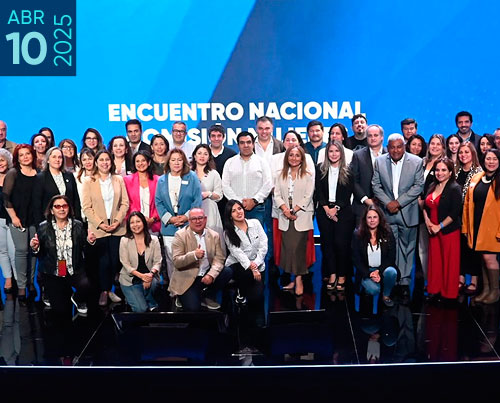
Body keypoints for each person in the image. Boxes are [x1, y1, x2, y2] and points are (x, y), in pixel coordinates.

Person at [372, 133, 424, 298]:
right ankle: (392, 279)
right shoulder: (380, 161)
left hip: (408, 212)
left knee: (407, 249)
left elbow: (418, 186)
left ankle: (405, 281)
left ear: (404, 146)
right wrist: (388, 203)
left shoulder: (416, 162)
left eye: (399, 147)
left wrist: (398, 202)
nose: (396, 150)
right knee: (390, 249)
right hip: (388, 213)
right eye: (392, 147)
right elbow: (376, 185)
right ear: (388, 148)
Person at [29, 195, 93, 315]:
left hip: (74, 268)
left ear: (69, 208)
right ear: (52, 210)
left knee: (86, 285)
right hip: (53, 270)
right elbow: (39, 255)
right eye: (57, 206)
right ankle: (47, 291)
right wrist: (35, 248)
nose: (61, 209)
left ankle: (78, 299)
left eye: (64, 206)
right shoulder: (43, 227)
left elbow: (85, 249)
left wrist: (90, 242)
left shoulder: (78, 225)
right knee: (61, 310)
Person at [82, 149, 130, 306]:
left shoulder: (118, 179)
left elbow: (125, 203)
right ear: (96, 162)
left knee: (115, 260)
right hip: (99, 228)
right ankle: (104, 291)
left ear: (112, 162)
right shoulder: (89, 181)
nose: (104, 163)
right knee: (104, 262)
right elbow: (86, 207)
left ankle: (110, 290)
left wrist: (117, 221)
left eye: (107, 160)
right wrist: (100, 224)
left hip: (117, 226)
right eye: (101, 160)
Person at [170, 207, 230, 311]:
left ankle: (207, 295)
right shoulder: (180, 235)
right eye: (194, 219)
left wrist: (211, 275)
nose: (198, 221)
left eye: (200, 218)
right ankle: (181, 297)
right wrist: (193, 255)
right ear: (189, 221)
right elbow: (177, 262)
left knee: (227, 271)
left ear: (205, 219)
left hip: (206, 274)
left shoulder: (214, 235)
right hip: (187, 277)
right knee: (193, 308)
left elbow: (219, 259)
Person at [155, 149, 202, 280]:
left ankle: (190, 287)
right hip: (169, 227)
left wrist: (187, 216)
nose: (176, 163)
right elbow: (158, 202)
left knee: (190, 258)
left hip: (188, 225)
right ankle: (174, 288)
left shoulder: (192, 177)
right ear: (168, 162)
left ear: (184, 162)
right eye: (173, 160)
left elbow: (197, 200)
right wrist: (170, 219)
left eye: (179, 160)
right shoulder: (162, 180)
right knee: (171, 260)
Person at [274, 145, 314, 296]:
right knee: (288, 250)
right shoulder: (280, 174)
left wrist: (294, 210)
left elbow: (308, 196)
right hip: (285, 217)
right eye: (291, 155)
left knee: (298, 249)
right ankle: (293, 278)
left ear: (302, 158)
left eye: (297, 155)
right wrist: (285, 210)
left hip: (301, 216)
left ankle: (299, 279)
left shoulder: (308, 175)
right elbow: (277, 194)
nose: (294, 158)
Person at [315, 140, 354, 291]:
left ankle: (342, 275)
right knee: (327, 244)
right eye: (331, 151)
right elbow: (318, 191)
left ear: (341, 153)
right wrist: (327, 209)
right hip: (324, 210)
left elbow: (347, 193)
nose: (334, 154)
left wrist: (335, 208)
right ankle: (332, 274)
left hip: (343, 212)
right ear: (327, 153)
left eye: (337, 151)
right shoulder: (320, 169)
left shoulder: (348, 170)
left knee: (341, 244)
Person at [462, 149, 500, 304]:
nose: (491, 162)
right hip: (477, 225)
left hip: (494, 228)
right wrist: (466, 227)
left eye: (495, 159)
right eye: (488, 158)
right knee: (482, 258)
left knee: (489, 258)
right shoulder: (477, 177)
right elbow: (467, 204)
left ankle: (495, 291)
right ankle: (486, 290)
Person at [3, 144, 38, 303]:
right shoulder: (13, 173)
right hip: (18, 218)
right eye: (21, 155)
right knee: (22, 251)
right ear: (17, 158)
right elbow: (6, 198)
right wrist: (14, 217)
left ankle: (31, 282)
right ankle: (22, 286)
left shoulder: (39, 173)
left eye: (27, 154)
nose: (25, 157)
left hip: (35, 218)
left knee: (34, 251)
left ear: (32, 155)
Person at [423, 158, 462, 299]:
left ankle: (448, 293)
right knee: (435, 261)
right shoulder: (432, 185)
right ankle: (434, 289)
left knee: (449, 262)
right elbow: (425, 206)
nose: (439, 173)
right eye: (437, 170)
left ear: (450, 172)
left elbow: (455, 212)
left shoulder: (455, 188)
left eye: (444, 170)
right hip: (432, 229)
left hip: (448, 230)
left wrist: (439, 227)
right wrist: (428, 222)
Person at [352, 205, 399, 307]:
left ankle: (386, 295)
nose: (372, 220)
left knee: (391, 272)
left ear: (379, 218)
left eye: (375, 217)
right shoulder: (358, 234)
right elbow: (356, 259)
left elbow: (391, 256)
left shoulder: (387, 232)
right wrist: (369, 274)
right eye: (369, 217)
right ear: (365, 219)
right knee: (373, 290)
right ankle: (367, 288)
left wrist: (379, 271)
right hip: (366, 270)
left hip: (382, 268)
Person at [222, 131, 272, 225]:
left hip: (257, 208)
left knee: (256, 234)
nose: (246, 145)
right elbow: (225, 185)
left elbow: (268, 184)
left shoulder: (262, 162)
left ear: (253, 144)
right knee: (236, 234)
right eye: (242, 143)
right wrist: (238, 202)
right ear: (238, 145)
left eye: (248, 142)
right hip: (235, 209)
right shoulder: (230, 162)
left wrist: (254, 200)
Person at [224, 199, 267, 307]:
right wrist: (252, 268)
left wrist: (256, 263)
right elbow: (238, 253)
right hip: (238, 264)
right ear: (230, 216)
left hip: (256, 263)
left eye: (239, 208)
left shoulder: (255, 223)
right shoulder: (228, 232)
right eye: (233, 211)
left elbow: (263, 245)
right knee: (245, 273)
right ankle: (240, 292)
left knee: (256, 298)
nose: (238, 212)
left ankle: (245, 287)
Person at [119, 212, 161, 312]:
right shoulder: (124, 240)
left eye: (138, 221)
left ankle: (146, 298)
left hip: (149, 278)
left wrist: (150, 275)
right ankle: (140, 299)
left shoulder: (154, 240)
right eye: (132, 222)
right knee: (141, 309)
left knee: (154, 283)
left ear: (143, 223)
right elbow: (125, 264)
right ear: (129, 225)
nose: (135, 225)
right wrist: (142, 276)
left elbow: (158, 261)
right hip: (130, 280)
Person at [418, 134, 446, 281]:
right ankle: (428, 280)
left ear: (443, 147)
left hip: (434, 212)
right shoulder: (422, 162)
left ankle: (437, 280)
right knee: (422, 249)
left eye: (438, 144)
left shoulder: (443, 165)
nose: (434, 147)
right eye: (432, 144)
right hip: (418, 211)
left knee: (435, 249)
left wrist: (424, 203)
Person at [456, 142, 482, 293]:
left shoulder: (479, 173)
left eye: (466, 152)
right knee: (460, 249)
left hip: (473, 216)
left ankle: (473, 280)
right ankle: (460, 278)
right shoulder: (455, 171)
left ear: (472, 153)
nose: (463, 155)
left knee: (472, 249)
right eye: (461, 152)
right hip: (456, 216)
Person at [32, 147, 81, 227]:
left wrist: (77, 221)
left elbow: (76, 200)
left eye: (60, 157)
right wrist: (40, 226)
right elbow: (37, 205)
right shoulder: (40, 178)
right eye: (54, 157)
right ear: (48, 160)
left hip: (69, 222)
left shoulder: (69, 176)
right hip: (49, 223)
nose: (57, 160)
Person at [350, 124, 386, 223]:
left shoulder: (389, 154)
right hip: (362, 206)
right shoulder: (358, 155)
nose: (373, 138)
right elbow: (353, 181)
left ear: (382, 137)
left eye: (376, 135)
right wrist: (365, 199)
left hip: (385, 207)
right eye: (370, 135)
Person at [123, 150, 161, 234]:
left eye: (143, 160)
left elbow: (161, 203)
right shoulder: (127, 180)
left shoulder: (158, 180)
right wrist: (138, 219)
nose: (140, 163)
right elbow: (127, 203)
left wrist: (153, 219)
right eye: (137, 161)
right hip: (134, 224)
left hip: (153, 224)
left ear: (149, 162)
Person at [191, 144, 223, 241]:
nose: (202, 156)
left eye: (205, 154)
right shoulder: (188, 173)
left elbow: (219, 195)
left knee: (211, 240)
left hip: (210, 210)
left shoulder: (214, 174)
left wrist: (208, 194)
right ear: (194, 156)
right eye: (199, 153)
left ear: (209, 157)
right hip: (192, 209)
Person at [208, 124, 236, 220]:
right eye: (213, 136)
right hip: (207, 198)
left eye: (219, 136)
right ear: (209, 138)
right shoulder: (203, 153)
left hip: (226, 198)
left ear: (223, 137)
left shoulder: (232, 154)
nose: (216, 139)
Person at [0, 149, 16, 294]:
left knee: (14, 251)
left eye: (2, 160)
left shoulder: (14, 176)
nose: (0, 164)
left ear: (8, 161)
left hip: (13, 219)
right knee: (2, 250)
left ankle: (18, 278)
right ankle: (8, 278)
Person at [74, 148, 95, 221]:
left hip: (98, 216)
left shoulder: (100, 176)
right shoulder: (76, 177)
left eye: (90, 159)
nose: (87, 162)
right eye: (84, 160)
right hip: (81, 216)